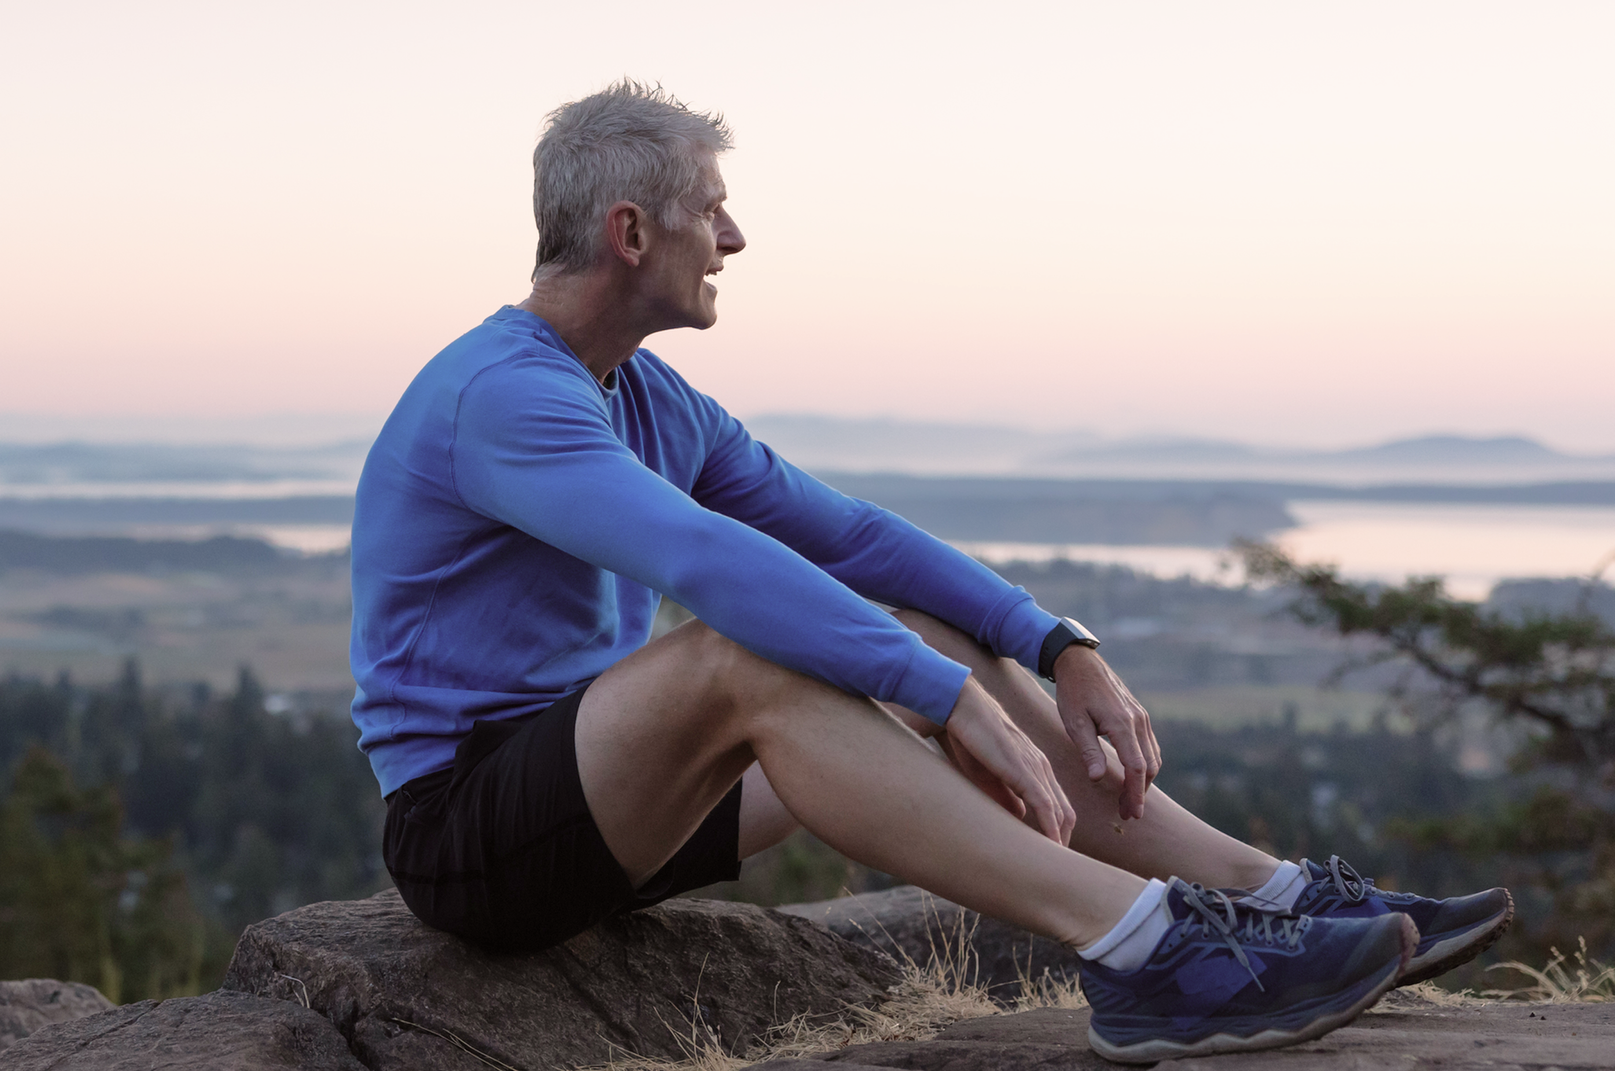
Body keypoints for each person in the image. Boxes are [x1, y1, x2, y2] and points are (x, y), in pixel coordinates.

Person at [348, 80, 1512, 1062]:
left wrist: (1052, 643)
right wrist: (936, 699)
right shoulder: (503, 395)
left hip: (618, 805)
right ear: (630, 233)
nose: (736, 239)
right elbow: (701, 558)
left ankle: (1268, 900)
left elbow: (849, 537)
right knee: (744, 660)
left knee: (922, 626)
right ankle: (1143, 948)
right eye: (714, 211)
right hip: (475, 836)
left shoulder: (645, 394)